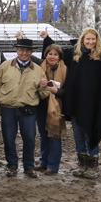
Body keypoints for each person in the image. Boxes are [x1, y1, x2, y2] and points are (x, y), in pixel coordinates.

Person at [42, 27, 101, 179]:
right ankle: (82, 164)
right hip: (76, 103)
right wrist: (46, 38)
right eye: (87, 39)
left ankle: (93, 166)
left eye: (93, 39)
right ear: (82, 40)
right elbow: (55, 52)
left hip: (94, 104)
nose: (90, 42)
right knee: (78, 135)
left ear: (97, 41)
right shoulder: (74, 56)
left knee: (91, 134)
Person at [0, 38, 49, 178]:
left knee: (30, 138)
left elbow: (44, 94)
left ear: (31, 52)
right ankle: (12, 166)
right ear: (16, 50)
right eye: (21, 50)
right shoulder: (4, 66)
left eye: (27, 50)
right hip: (8, 108)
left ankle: (29, 166)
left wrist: (44, 88)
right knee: (8, 138)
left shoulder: (38, 70)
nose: (24, 52)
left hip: (28, 109)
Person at [34, 44, 67, 175]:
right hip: (41, 105)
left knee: (54, 135)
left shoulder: (65, 69)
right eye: (50, 54)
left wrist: (57, 91)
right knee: (43, 135)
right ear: (45, 55)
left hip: (57, 106)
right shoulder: (39, 68)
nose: (52, 57)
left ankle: (53, 165)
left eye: (55, 54)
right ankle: (43, 161)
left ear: (59, 57)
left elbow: (68, 90)